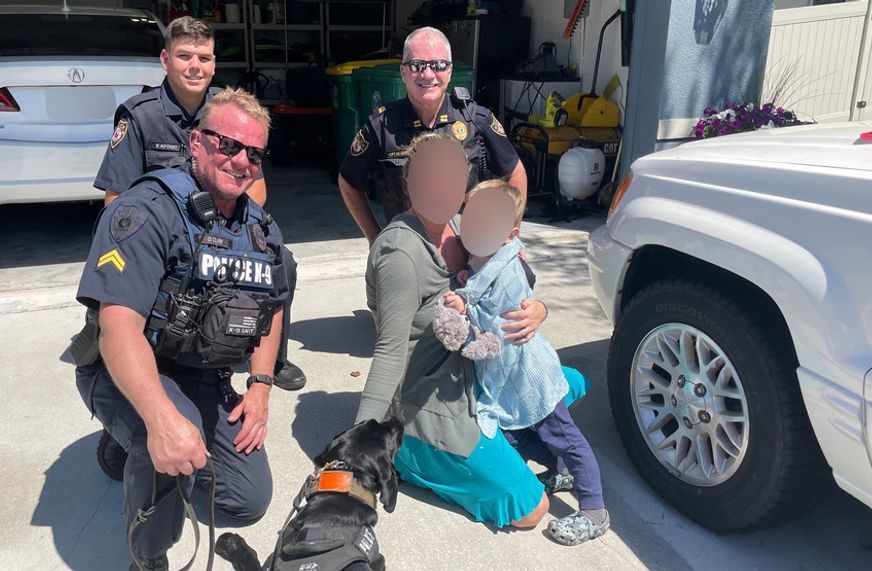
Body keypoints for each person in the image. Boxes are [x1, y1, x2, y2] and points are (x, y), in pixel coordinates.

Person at [73, 89, 285, 570]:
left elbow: (273, 309)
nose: (241, 160)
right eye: (227, 145)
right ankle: (147, 555)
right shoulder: (147, 210)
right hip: (125, 368)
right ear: (196, 143)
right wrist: (161, 421)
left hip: (204, 375)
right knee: (169, 441)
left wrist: (261, 385)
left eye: (254, 152)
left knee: (246, 500)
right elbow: (117, 328)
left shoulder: (261, 230)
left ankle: (140, 444)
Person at [93, 16, 305, 391]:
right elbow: (116, 200)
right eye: (184, 56)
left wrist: (232, 234)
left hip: (221, 232)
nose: (196, 66)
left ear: (214, 63)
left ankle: (270, 358)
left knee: (280, 260)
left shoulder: (227, 109)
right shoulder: (140, 116)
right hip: (164, 238)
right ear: (165, 60)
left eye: (204, 58)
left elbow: (256, 187)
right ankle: (141, 367)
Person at [355, 132, 550, 530]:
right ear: (409, 182)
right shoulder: (401, 255)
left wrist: (539, 311)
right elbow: (390, 351)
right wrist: (359, 450)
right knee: (532, 509)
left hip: (478, 371)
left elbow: (516, 277)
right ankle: (408, 457)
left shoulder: (464, 224)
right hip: (428, 399)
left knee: (565, 384)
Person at [439, 180, 611, 546]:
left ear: (509, 233)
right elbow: (476, 288)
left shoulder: (510, 274)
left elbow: (494, 340)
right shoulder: (483, 257)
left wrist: (463, 323)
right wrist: (466, 285)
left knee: (566, 439)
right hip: (509, 380)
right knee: (517, 436)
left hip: (530, 378)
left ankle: (595, 509)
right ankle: (562, 472)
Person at [338, 26, 528, 246]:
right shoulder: (381, 125)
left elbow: (515, 174)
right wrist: (375, 238)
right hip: (407, 251)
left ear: (449, 71)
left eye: (438, 65)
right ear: (403, 72)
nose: (428, 74)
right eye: (417, 65)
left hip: (469, 253)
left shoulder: (476, 119)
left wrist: (511, 238)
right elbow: (349, 181)